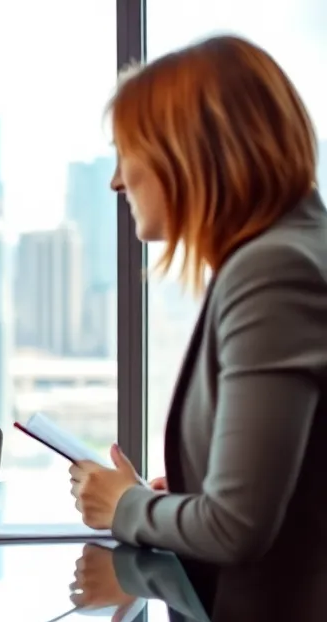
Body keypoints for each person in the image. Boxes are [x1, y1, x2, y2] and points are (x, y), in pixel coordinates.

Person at [70, 36, 327, 571]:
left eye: (126, 152)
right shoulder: (285, 253)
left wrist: (124, 505)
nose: (117, 180)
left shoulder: (275, 271)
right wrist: (176, 500)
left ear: (186, 151)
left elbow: (235, 528)